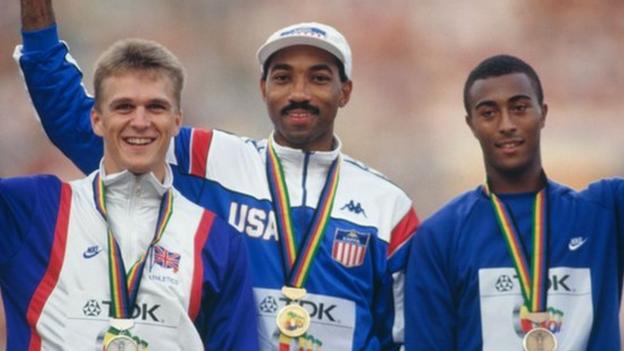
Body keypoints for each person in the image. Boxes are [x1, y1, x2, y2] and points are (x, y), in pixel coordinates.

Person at [15, 1, 420, 350]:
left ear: (345, 91)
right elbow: (77, 121)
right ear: (263, 88)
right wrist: (38, 25)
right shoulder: (211, 159)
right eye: (283, 78)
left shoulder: (387, 206)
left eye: (318, 78)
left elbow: (411, 335)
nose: (299, 92)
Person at [3, 35, 258, 349]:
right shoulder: (31, 209)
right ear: (96, 119)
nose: (140, 122)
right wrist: (36, 31)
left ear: (177, 121)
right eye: (124, 107)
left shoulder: (217, 241)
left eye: (156, 107)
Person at [404, 54, 624, 350]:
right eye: (489, 113)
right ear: (471, 124)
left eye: (519, 108)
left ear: (542, 113)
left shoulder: (605, 213)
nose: (506, 124)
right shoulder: (440, 236)